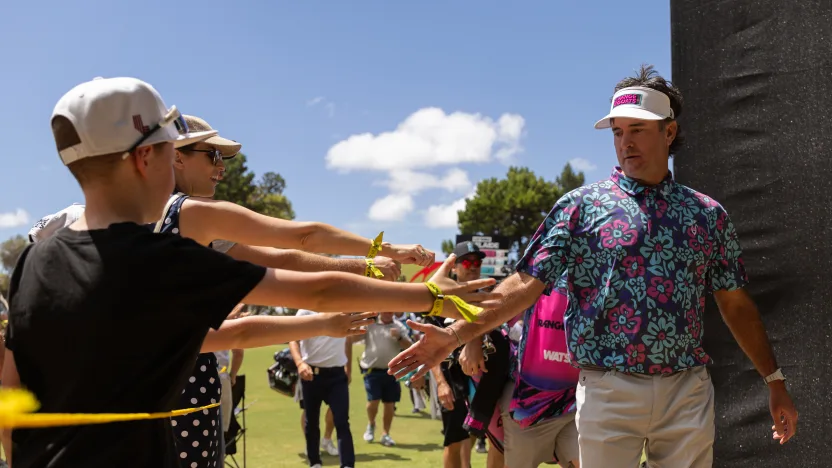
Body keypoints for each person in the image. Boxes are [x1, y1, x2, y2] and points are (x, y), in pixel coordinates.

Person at [0, 76, 500, 468]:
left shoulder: (31, 261)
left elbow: (9, 387)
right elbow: (316, 285)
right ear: (146, 157)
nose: (209, 166)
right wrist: (434, 298)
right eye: (186, 152)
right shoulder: (165, 259)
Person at [388, 65, 798, 468]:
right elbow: (521, 287)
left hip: (686, 389)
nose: (625, 142)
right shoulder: (580, 207)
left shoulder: (707, 214)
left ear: (668, 132)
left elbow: (736, 304)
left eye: (637, 129)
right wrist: (456, 334)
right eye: (618, 131)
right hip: (607, 387)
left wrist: (773, 380)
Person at [289, 309, 356, 468]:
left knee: (342, 421)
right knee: (311, 421)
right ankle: (315, 462)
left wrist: (349, 368)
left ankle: (347, 465)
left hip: (337, 375)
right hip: (311, 375)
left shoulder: (342, 309)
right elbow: (293, 340)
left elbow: (347, 340)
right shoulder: (304, 312)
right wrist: (300, 363)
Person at [357, 312, 422, 448]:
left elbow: (409, 346)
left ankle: (385, 434)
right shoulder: (371, 325)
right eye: (385, 310)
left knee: (389, 404)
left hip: (393, 372)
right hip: (372, 370)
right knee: (373, 402)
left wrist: (399, 337)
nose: (388, 313)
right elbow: (355, 338)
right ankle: (371, 424)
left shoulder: (398, 326)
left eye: (391, 310)